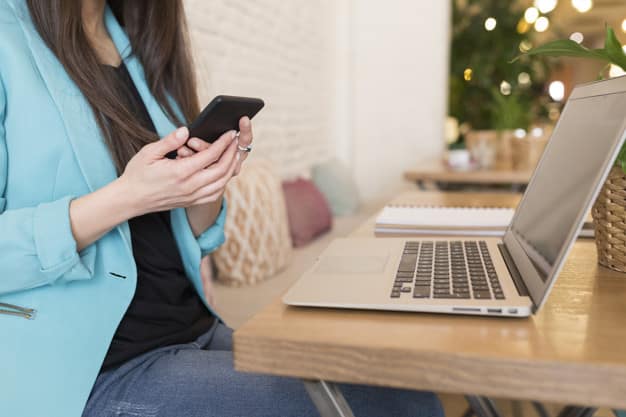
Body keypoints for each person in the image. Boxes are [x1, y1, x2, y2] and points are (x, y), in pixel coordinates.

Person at [0, 1, 445, 416]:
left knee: (399, 377)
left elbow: (189, 234)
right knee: (384, 397)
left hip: (194, 330)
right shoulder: (9, 39)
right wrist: (127, 196)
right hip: (94, 371)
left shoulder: (136, 38)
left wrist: (208, 181)